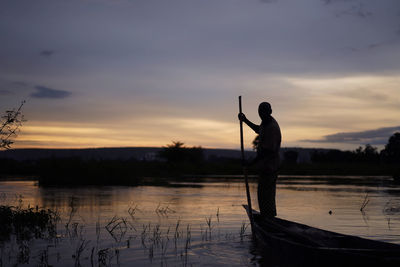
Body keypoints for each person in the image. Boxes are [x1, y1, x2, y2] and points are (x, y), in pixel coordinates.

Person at [238, 102, 281, 218]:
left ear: (270, 112)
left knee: (266, 197)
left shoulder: (272, 127)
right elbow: (259, 129)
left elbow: (266, 152)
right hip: (265, 168)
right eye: (260, 112)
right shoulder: (265, 123)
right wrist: (245, 120)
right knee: (263, 197)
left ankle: (269, 222)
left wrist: (249, 163)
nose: (261, 114)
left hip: (270, 168)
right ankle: (268, 220)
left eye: (264, 111)